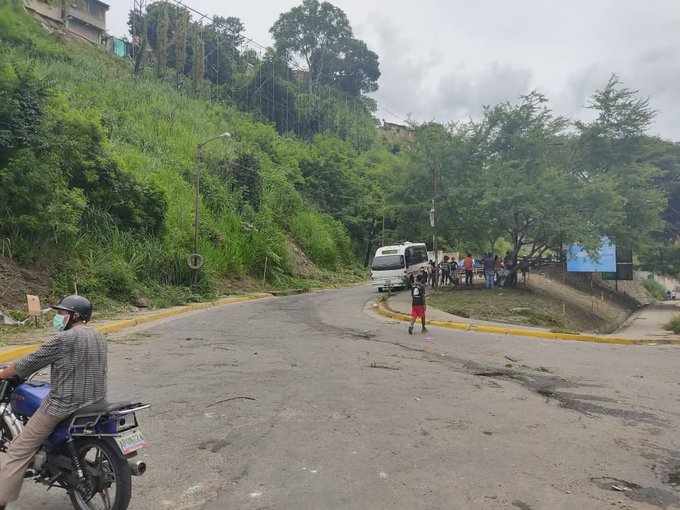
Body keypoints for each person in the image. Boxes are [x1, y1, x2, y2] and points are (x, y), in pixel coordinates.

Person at [0, 295, 107, 509]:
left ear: (74, 316)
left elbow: (28, 363)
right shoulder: (98, 337)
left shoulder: (62, 340)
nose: (58, 317)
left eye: (62, 313)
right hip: (96, 401)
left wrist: (4, 374)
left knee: (19, 449)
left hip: (64, 405)